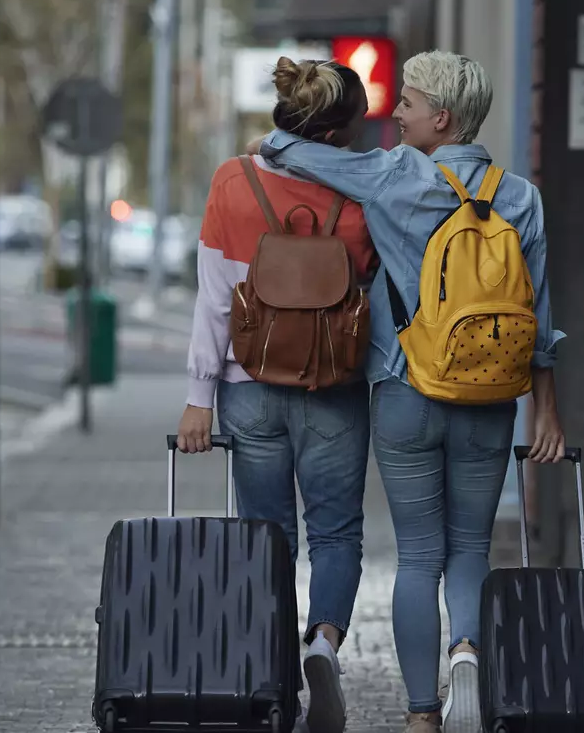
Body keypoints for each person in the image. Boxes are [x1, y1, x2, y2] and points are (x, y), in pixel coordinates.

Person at [257, 51, 567, 733]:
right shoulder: (521, 196)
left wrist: (291, 110)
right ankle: (467, 652)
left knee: (419, 554)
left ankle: (423, 715)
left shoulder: (393, 174)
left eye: (409, 102)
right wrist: (546, 410)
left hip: (405, 390)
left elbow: (284, 151)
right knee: (471, 550)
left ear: (442, 118)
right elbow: (540, 320)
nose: (394, 113)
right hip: (493, 399)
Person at [176, 57, 379, 733]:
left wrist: (199, 395)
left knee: (267, 537)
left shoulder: (231, 183)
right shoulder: (360, 199)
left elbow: (211, 300)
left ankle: (273, 682)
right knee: (337, 532)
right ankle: (323, 643)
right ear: (343, 127)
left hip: (247, 385)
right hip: (333, 388)